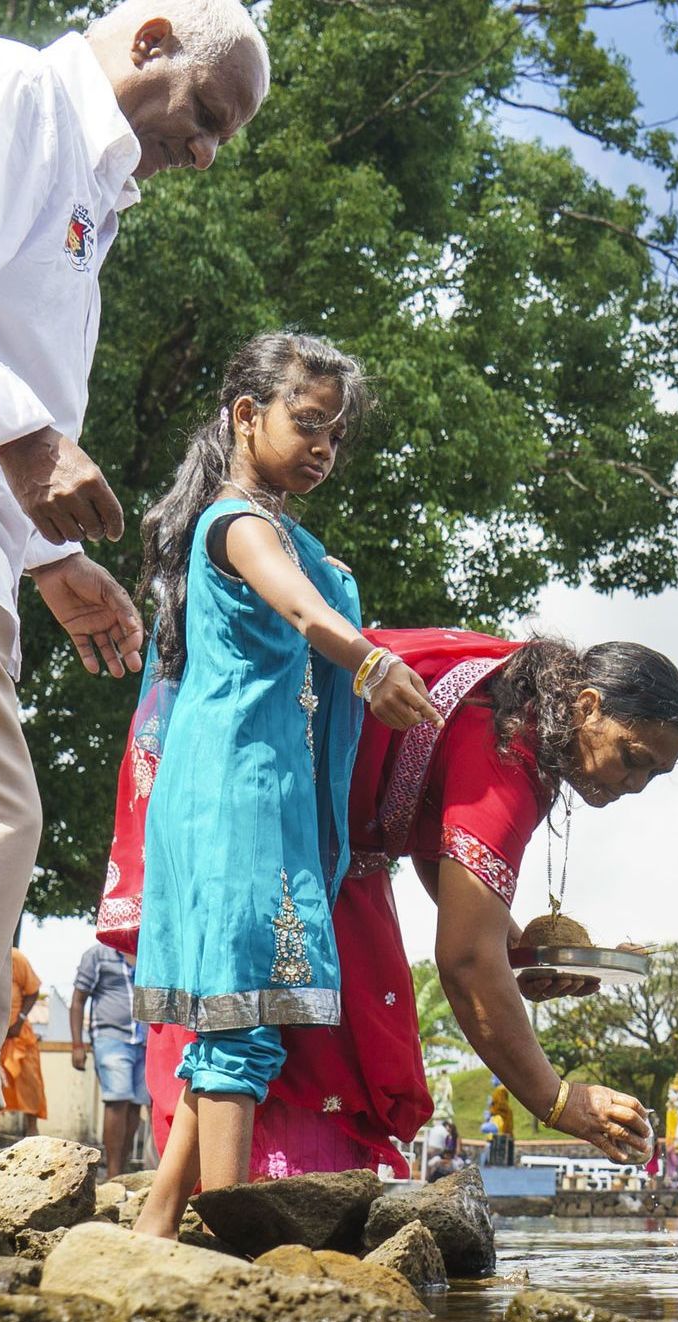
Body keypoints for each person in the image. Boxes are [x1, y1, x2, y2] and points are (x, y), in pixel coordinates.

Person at [0, 0, 269, 1227]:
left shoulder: (89, 183)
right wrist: (33, 439)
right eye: (206, 116)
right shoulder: (5, 88)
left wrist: (50, 560)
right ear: (150, 40)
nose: (204, 154)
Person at [115, 632, 678, 1177]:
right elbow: (465, 961)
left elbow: (436, 848)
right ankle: (228, 1216)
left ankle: (205, 1217)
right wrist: (560, 1100)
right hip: (253, 811)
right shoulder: (510, 749)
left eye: (653, 774)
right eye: (632, 756)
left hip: (294, 828)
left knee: (261, 1024)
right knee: (253, 1025)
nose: (635, 784)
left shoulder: (517, 704)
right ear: (587, 707)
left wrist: (518, 953)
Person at [123, 332, 440, 1240]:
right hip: (239, 786)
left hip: (251, 782)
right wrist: (373, 663)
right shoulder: (241, 526)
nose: (323, 450)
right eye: (308, 425)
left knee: (233, 1018)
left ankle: (156, 1227)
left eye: (335, 436)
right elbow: (303, 609)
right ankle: (229, 1240)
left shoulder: (272, 526)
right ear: (245, 417)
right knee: (242, 1022)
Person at [70, 941, 149, 1177]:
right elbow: (77, 1000)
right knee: (117, 1100)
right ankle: (113, 1174)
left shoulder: (146, 951)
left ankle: (122, 1172)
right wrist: (77, 1044)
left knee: (135, 1105)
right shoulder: (97, 954)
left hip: (144, 1039)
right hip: (110, 1037)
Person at [0, 951, 48, 1136]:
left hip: (18, 1035)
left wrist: (19, 1020)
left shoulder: (14, 957)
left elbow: (33, 991)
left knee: (30, 1084)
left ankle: (32, 1132)